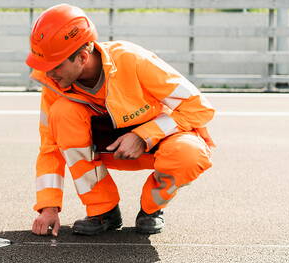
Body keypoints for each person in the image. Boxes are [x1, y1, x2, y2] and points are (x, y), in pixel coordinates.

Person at [26, 4, 215, 236]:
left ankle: (151, 209)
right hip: (108, 148)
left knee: (189, 154)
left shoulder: (133, 60)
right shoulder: (55, 85)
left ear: (83, 57)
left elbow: (199, 107)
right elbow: (50, 147)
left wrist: (143, 136)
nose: (48, 74)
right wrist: (48, 207)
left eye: (54, 66)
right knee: (62, 112)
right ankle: (103, 210)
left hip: (159, 141)